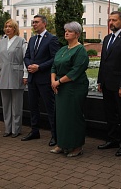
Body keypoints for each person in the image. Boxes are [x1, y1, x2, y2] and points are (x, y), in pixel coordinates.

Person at [97, 11, 121, 157]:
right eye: (109, 20)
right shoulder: (107, 39)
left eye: (114, 20)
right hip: (107, 84)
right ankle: (112, 139)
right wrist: (100, 80)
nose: (111, 22)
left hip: (119, 85)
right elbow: (103, 62)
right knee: (109, 113)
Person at [50, 21, 89, 157]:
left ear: (77, 34)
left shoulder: (80, 50)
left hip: (74, 87)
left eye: (70, 31)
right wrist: (53, 81)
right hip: (60, 87)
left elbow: (76, 71)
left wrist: (58, 82)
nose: (66, 33)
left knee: (73, 116)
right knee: (61, 116)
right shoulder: (62, 49)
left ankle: (76, 146)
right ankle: (62, 144)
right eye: (66, 30)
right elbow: (54, 66)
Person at [22, 14, 60, 146]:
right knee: (33, 106)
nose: (34, 24)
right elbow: (26, 57)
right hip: (32, 79)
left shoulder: (51, 39)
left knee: (50, 108)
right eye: (33, 22)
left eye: (36, 22)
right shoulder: (32, 40)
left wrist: (39, 67)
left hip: (44, 78)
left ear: (44, 24)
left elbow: (55, 58)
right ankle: (34, 131)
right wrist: (29, 66)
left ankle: (55, 135)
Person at [0, 19, 28, 138]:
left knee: (17, 104)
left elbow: (25, 59)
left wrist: (25, 75)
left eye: (10, 26)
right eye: (6, 26)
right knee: (6, 103)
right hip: (4, 74)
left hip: (16, 74)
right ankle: (7, 128)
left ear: (15, 29)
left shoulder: (21, 41)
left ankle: (16, 129)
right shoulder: (2, 42)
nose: (7, 28)